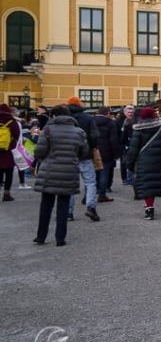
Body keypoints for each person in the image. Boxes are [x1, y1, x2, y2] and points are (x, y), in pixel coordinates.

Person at [33, 105, 88, 246]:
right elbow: (84, 153)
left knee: (46, 205)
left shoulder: (48, 130)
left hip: (49, 171)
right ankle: (60, 238)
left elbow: (39, 151)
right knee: (63, 206)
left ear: (53, 116)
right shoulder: (79, 131)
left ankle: (41, 236)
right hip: (69, 171)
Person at [126, 107, 161, 220]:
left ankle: (149, 208)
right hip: (158, 161)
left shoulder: (138, 130)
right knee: (153, 183)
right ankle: (150, 206)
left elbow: (133, 149)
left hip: (143, 161)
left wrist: (129, 164)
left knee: (146, 184)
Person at [66, 96, 100, 221]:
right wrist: (91, 147)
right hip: (85, 155)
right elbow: (95, 136)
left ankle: (68, 212)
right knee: (90, 182)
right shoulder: (88, 118)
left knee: (70, 184)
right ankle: (91, 207)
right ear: (80, 105)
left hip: (69, 155)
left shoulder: (65, 119)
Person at [93, 107, 120, 203]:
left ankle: (93, 191)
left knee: (94, 173)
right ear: (108, 113)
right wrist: (116, 153)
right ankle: (102, 194)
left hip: (94, 150)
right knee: (104, 173)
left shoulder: (92, 121)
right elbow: (113, 139)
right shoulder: (110, 123)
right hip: (107, 151)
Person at [0, 103, 21, 201]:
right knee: (9, 173)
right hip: (9, 151)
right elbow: (17, 135)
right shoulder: (12, 121)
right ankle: (6, 194)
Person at [117, 105, 136, 185]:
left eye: (132, 112)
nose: (130, 114)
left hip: (132, 145)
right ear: (125, 112)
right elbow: (117, 134)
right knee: (124, 163)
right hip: (123, 145)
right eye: (129, 112)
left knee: (132, 162)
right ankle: (124, 178)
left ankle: (131, 178)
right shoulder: (119, 121)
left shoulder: (135, 121)